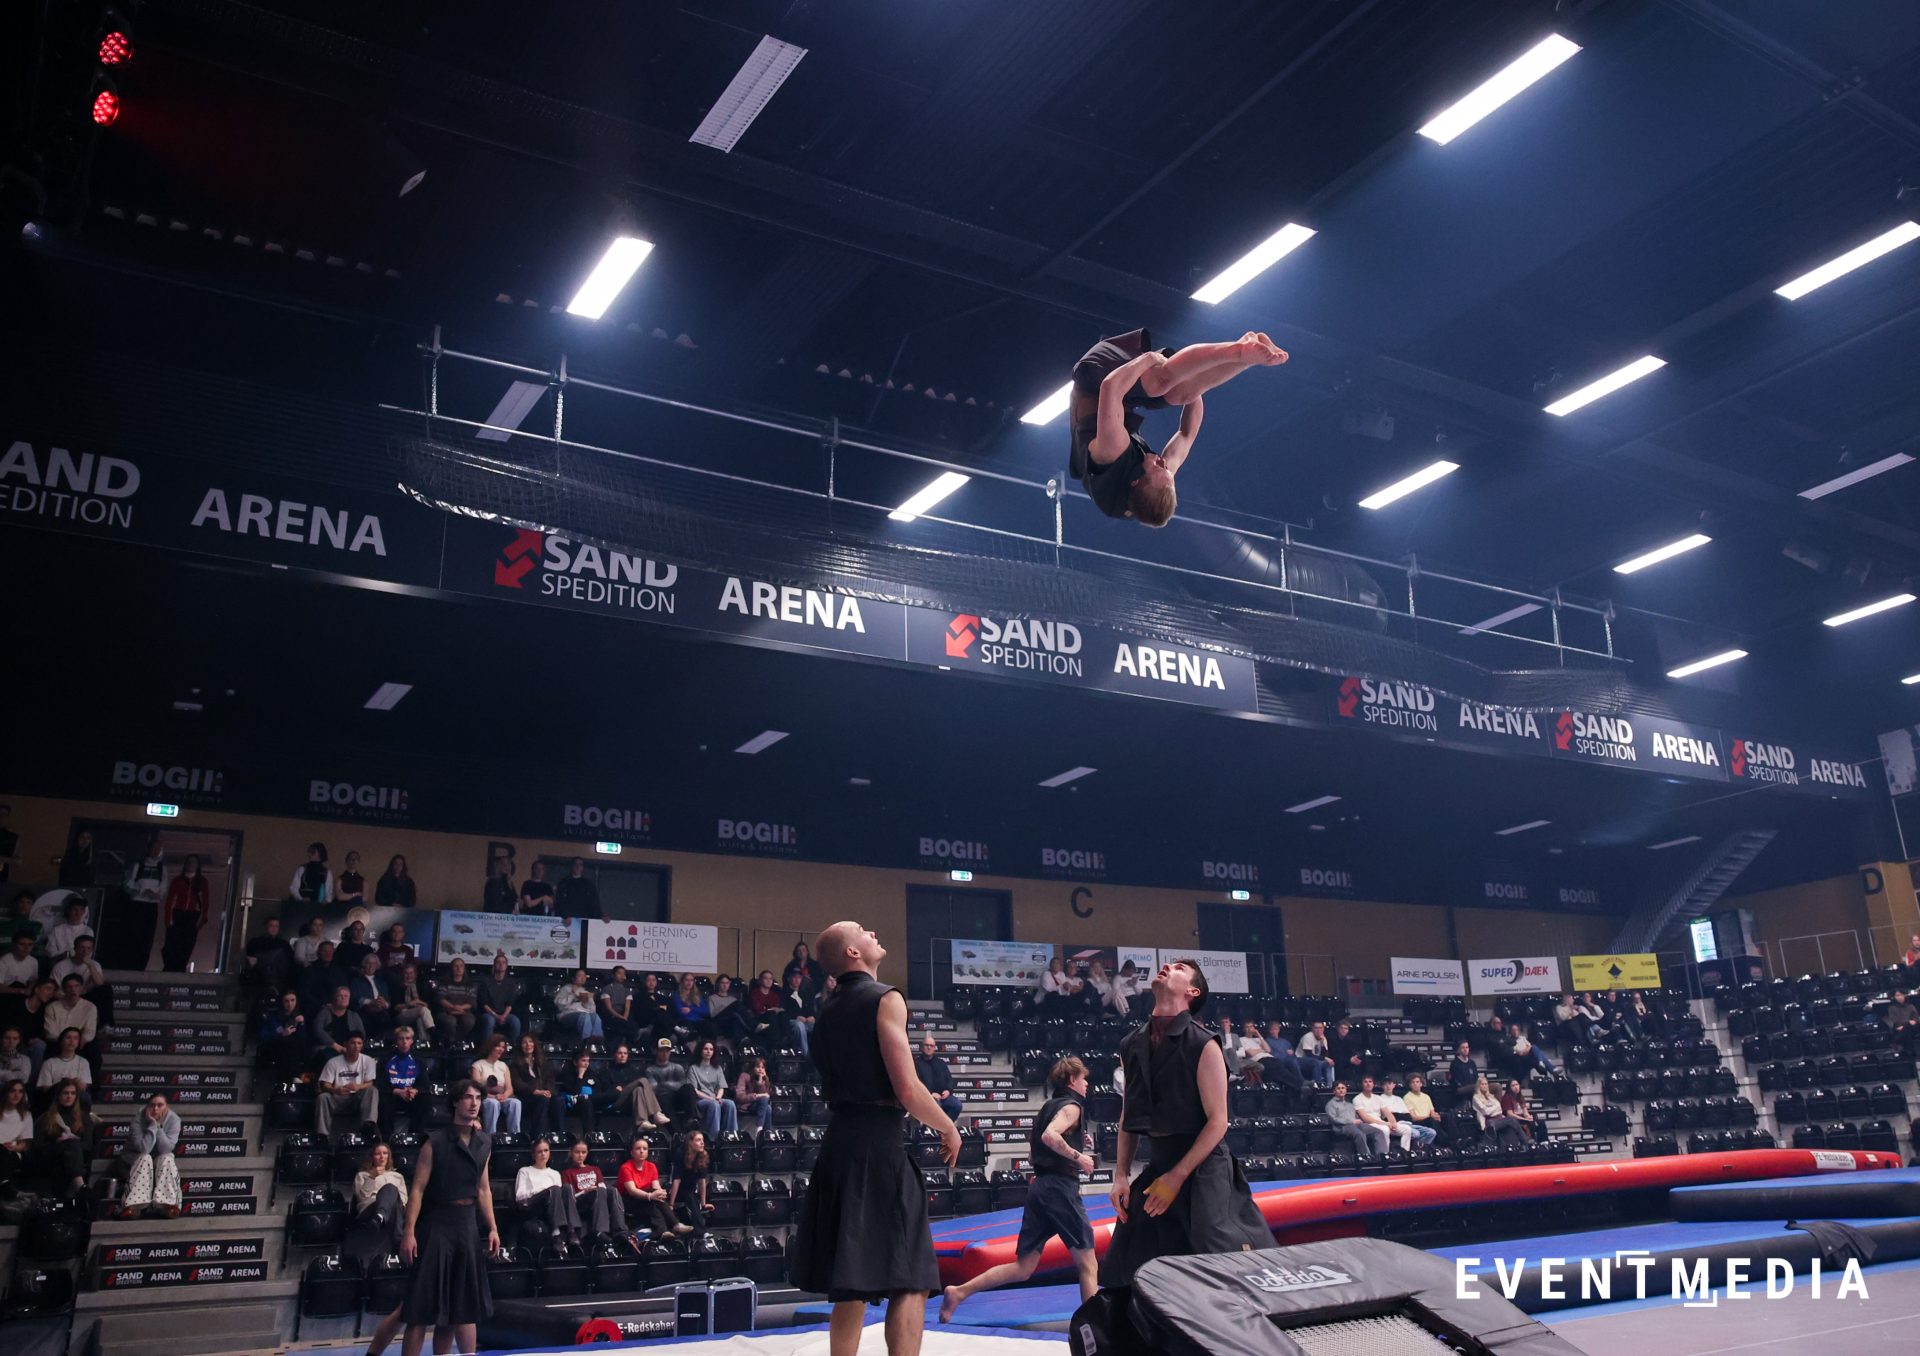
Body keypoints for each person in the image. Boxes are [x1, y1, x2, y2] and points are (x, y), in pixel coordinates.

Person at [791, 921, 958, 1356]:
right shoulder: (886, 998)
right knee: (913, 1275)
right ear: (852, 952)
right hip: (878, 1144)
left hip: (838, 1145)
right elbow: (908, 1089)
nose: (873, 933)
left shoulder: (827, 1009)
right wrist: (948, 1126)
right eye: (864, 932)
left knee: (851, 1281)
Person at [1098, 959, 1270, 1293]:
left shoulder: (1203, 1043)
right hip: (1160, 1162)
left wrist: (1177, 1177)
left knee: (1216, 1256)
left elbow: (1218, 1122)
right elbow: (1128, 1116)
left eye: (1179, 968)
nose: (1167, 966)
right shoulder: (1131, 1043)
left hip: (1205, 1166)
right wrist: (1120, 1175)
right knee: (1128, 1259)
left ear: (1193, 992)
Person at [1067, 329, 1286, 526]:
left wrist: (1149, 358)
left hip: (1092, 380)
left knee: (1158, 383)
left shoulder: (1111, 451)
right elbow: (1186, 433)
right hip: (1124, 401)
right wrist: (1193, 387)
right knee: (1182, 392)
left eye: (1158, 466)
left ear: (1135, 480)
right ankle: (1246, 352)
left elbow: (1111, 387)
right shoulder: (1158, 481)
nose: (1162, 461)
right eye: (1167, 469)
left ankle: (1238, 351)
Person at [940, 1056, 1099, 1323]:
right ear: (1072, 1080)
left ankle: (959, 1292)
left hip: (1040, 1188)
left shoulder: (1047, 1107)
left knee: (1023, 1268)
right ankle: (1095, 1327)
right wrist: (1078, 1157)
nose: (1087, 1085)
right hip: (1060, 1188)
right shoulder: (1072, 1107)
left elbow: (1032, 1152)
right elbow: (1050, 1136)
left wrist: (1068, 1149)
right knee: (1088, 1264)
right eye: (1084, 1079)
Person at [399, 1080, 501, 1356]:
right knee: (420, 1310)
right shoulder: (435, 1141)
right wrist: (409, 1232)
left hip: (467, 1224)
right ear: (455, 1102)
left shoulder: (484, 1142)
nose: (474, 1103)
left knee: (461, 1307)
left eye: (478, 1098)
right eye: (467, 1097)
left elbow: (484, 1189)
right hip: (437, 1223)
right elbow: (417, 1190)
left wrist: (492, 1228)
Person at [34, 1077, 100, 1196]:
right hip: (51, 1160)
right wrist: (59, 1143)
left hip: (73, 1161)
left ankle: (78, 1188)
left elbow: (88, 1145)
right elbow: (38, 1147)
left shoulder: (84, 1118)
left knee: (71, 1144)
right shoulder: (46, 1118)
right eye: (65, 1093)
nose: (69, 1096)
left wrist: (70, 1142)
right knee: (69, 1144)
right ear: (58, 1095)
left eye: (73, 1093)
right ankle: (81, 1187)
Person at [120, 1096, 184, 1217]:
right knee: (145, 1157)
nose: (155, 1109)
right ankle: (133, 1205)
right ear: (147, 1107)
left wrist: (159, 1127)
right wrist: (153, 1125)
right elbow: (144, 1149)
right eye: (152, 1105)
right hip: (134, 1160)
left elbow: (165, 1149)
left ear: (167, 1107)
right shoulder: (138, 1119)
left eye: (160, 1105)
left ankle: (168, 1204)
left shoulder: (174, 1120)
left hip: (159, 1162)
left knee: (167, 1158)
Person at [349, 1141, 408, 1265]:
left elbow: (403, 1200)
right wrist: (372, 1177)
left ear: (389, 1156)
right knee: (390, 1190)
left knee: (392, 1193)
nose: (382, 1157)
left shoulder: (397, 1176)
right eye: (378, 1154)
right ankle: (397, 1238)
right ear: (372, 1157)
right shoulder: (362, 1175)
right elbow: (361, 1197)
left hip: (393, 1210)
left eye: (385, 1153)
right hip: (370, 1209)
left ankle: (380, 1217)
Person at [515, 1136, 585, 1241]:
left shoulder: (555, 1173)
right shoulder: (524, 1171)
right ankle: (556, 1233)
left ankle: (572, 1231)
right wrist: (544, 1191)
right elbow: (520, 1196)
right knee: (554, 1190)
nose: (543, 1154)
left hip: (551, 1205)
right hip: (532, 1205)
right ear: (534, 1155)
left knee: (567, 1188)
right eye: (540, 1152)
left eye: (546, 1150)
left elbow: (559, 1197)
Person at [616, 1136, 687, 1237]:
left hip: (646, 1198)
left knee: (656, 1198)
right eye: (638, 1148)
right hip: (628, 1200)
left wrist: (660, 1193)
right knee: (651, 1202)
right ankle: (671, 1226)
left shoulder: (651, 1166)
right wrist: (650, 1196)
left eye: (645, 1149)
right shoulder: (625, 1168)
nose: (642, 1151)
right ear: (632, 1153)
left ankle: (669, 1228)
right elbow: (632, 1190)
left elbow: (656, 1186)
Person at [561, 1136, 627, 1239]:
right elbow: (569, 1197)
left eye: (583, 1152)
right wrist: (584, 1192)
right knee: (598, 1192)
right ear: (571, 1152)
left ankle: (620, 1231)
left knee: (612, 1190)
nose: (580, 1155)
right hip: (580, 1201)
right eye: (577, 1152)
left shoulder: (595, 1169)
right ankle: (600, 1231)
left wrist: (595, 1189)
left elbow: (602, 1188)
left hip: (598, 1197)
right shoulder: (567, 1172)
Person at [319, 1032, 380, 1135]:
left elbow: (370, 1083)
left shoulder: (368, 1061)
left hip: (358, 1098)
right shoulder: (333, 1062)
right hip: (338, 1097)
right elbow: (325, 1084)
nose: (356, 1046)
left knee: (373, 1090)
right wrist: (336, 1090)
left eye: (359, 1043)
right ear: (345, 1044)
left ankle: (369, 1125)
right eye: (353, 1043)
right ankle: (322, 1135)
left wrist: (358, 1086)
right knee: (323, 1097)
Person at [160, 853, 210, 972]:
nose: (191, 865)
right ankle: (169, 968)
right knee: (171, 945)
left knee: (186, 946)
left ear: (197, 866)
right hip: (178, 914)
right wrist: (168, 919)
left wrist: (200, 921)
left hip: (192, 916)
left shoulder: (202, 882)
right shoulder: (177, 881)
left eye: (194, 862)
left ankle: (179, 969)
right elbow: (170, 900)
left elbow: (205, 902)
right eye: (189, 862)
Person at [380, 1026, 426, 1137]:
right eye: (401, 1038)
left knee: (425, 1100)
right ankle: (387, 1138)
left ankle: (415, 1136)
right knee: (382, 1101)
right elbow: (380, 1084)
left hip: (411, 1095)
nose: (404, 1042)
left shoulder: (418, 1059)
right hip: (392, 1094)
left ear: (412, 1041)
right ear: (396, 1041)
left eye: (407, 1038)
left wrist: (415, 1090)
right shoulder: (385, 1059)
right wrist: (398, 1091)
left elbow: (424, 1083)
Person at [470, 1036, 521, 1134]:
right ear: (490, 1047)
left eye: (503, 1047)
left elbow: (509, 1088)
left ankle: (514, 1134)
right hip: (486, 1097)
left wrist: (504, 1096)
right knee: (493, 1103)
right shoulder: (478, 1065)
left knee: (516, 1103)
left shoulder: (503, 1066)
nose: (501, 1049)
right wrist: (491, 1096)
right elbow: (476, 1087)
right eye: (498, 1046)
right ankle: (490, 1135)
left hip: (501, 1097)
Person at [688, 1040, 737, 1137]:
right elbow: (694, 1090)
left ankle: (731, 1136)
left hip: (715, 1098)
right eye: (706, 1049)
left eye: (711, 1049)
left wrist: (718, 1097)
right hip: (700, 1099)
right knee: (714, 1105)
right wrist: (711, 1099)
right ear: (700, 1051)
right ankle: (714, 1137)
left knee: (730, 1103)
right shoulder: (693, 1068)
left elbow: (721, 1087)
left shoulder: (718, 1068)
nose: (708, 1051)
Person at [511, 1034, 556, 1139]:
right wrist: (535, 1091)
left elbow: (550, 1080)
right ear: (520, 1046)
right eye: (524, 1042)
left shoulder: (543, 1063)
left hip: (543, 1095)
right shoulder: (515, 1065)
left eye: (530, 1041)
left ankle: (557, 1136)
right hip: (525, 1098)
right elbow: (518, 1084)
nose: (528, 1045)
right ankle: (537, 1137)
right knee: (542, 1100)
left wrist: (548, 1091)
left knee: (558, 1101)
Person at [260, 990, 310, 1083]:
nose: (290, 1004)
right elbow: (264, 1035)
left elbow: (303, 1038)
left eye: (292, 1000)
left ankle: (295, 1077)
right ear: (282, 1002)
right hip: (274, 1047)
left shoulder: (298, 1016)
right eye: (286, 1001)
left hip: (293, 1050)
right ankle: (291, 1077)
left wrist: (302, 1024)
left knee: (295, 1046)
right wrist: (282, 1034)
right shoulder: (272, 1017)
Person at [244, 916, 296, 1002]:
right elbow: (251, 960)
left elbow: (289, 963)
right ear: (266, 926)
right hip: (259, 976)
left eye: (276, 926)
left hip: (279, 977)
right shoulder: (255, 942)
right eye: (271, 925)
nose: (274, 928)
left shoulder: (283, 944)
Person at [475, 955, 524, 1048]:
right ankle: (487, 1049)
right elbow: (484, 1003)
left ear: (506, 965)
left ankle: (513, 1048)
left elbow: (510, 1003)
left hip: (504, 1014)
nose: (501, 964)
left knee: (515, 1021)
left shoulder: (510, 983)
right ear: (494, 965)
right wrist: (496, 1016)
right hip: (489, 1013)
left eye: (503, 962)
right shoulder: (486, 981)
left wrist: (504, 1016)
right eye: (498, 962)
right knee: (489, 1021)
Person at [914, 1034, 963, 1123]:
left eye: (931, 1045)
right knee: (937, 1106)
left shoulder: (941, 1063)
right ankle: (936, 1127)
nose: (929, 1047)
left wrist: (948, 1091)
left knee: (957, 1105)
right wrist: (930, 1094)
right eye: (926, 1045)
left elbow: (950, 1080)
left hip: (943, 1097)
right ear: (922, 1047)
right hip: (926, 1097)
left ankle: (944, 1127)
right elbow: (915, 1083)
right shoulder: (916, 1063)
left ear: (934, 1048)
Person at [668, 1129, 712, 1228]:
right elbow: (676, 1180)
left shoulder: (702, 1156)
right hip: (678, 1191)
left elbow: (702, 1182)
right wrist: (671, 1204)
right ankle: (701, 1231)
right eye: (698, 1140)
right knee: (690, 1196)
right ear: (690, 1143)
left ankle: (697, 1230)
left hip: (691, 1191)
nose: (702, 1143)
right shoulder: (680, 1154)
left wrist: (703, 1203)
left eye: (702, 1140)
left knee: (692, 1197)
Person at [1323, 1081, 1379, 1158]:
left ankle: (1381, 1156)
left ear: (1346, 1090)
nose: (1341, 1090)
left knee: (1377, 1131)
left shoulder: (1350, 1105)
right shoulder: (1330, 1104)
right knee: (1359, 1134)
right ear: (1334, 1091)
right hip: (1342, 1127)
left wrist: (1359, 1120)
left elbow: (1355, 1117)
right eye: (1338, 1088)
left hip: (1355, 1125)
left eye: (1343, 1088)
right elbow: (1334, 1119)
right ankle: (1366, 1157)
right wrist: (1351, 1121)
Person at [1378, 1076, 1435, 1151]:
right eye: (1385, 1084)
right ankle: (1411, 1151)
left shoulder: (1399, 1099)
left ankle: (1418, 1150)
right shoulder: (1380, 1099)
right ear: (1382, 1086)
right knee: (1416, 1133)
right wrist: (1398, 1115)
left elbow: (1407, 1115)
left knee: (1431, 1132)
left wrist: (1397, 1114)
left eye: (1389, 1084)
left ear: (1394, 1085)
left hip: (1408, 1123)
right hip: (1396, 1124)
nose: (1388, 1086)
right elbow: (1387, 1116)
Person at [622, 1045, 672, 1128]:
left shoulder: (632, 1070)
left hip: (630, 1099)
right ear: (614, 1054)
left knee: (638, 1089)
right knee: (643, 1080)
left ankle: (642, 1121)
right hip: (618, 1098)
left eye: (625, 1053)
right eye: (620, 1053)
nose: (622, 1055)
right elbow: (606, 1089)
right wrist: (616, 1087)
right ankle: (656, 1112)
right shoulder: (607, 1069)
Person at [1473, 1074, 1526, 1150]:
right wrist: (1494, 1109)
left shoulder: (1491, 1096)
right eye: (1482, 1084)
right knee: (1511, 1119)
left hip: (1498, 1119)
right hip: (1487, 1121)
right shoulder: (1476, 1097)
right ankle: (1525, 1142)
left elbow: (1499, 1108)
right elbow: (1485, 1111)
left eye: (1486, 1084)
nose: (1485, 1086)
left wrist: (1492, 1109)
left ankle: (1515, 1147)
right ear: (1479, 1086)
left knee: (1510, 1125)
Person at [642, 1038, 689, 1123]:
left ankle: (692, 1119)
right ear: (656, 1051)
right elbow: (654, 1089)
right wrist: (672, 1085)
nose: (665, 1053)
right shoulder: (650, 1070)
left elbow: (682, 1084)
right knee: (663, 1099)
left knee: (689, 1087)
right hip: (662, 1099)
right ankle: (676, 1130)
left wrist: (664, 1084)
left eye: (667, 1050)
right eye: (662, 1050)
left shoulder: (677, 1067)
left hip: (677, 1097)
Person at [37, 1027, 92, 1098]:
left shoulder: (84, 1062)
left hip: (75, 1097)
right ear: (61, 1041)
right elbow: (46, 1088)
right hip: (55, 1097)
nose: (72, 1041)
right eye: (68, 1038)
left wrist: (77, 1082)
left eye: (75, 1038)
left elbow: (83, 1088)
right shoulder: (49, 1063)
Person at [557, 1049, 600, 1140]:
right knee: (585, 1101)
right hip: (575, 1103)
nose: (586, 1063)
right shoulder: (567, 1075)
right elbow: (574, 1092)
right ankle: (590, 1136)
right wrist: (580, 1076)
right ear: (575, 1062)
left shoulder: (592, 1074)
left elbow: (598, 1090)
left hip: (593, 1100)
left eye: (588, 1061)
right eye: (583, 1060)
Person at [435, 958, 478, 1047]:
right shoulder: (445, 983)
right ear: (452, 968)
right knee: (450, 1021)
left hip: (464, 1011)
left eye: (461, 966)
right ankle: (451, 1042)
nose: (459, 968)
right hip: (446, 1011)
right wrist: (453, 1007)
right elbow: (441, 999)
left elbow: (471, 1002)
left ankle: (459, 1041)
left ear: (464, 968)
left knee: (469, 1021)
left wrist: (460, 1008)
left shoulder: (469, 984)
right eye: (456, 966)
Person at [552, 970, 603, 1041]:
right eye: (579, 976)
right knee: (585, 1016)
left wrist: (588, 1000)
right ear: (573, 978)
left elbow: (592, 1010)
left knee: (595, 1016)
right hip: (567, 1014)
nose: (582, 978)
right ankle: (586, 1040)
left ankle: (597, 1041)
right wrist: (573, 994)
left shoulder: (585, 991)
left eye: (584, 976)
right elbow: (560, 1006)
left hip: (584, 1013)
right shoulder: (566, 988)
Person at [353, 953, 396, 1038]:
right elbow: (355, 998)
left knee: (386, 1018)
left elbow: (388, 1001)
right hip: (364, 1010)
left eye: (374, 964)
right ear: (364, 965)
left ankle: (381, 1042)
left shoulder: (382, 982)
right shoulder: (357, 981)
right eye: (368, 963)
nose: (371, 966)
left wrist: (385, 1004)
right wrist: (371, 1002)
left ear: (377, 966)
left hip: (380, 1010)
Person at [0, 1079, 30, 1193]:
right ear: (6, 1093)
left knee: (5, 1155)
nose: (17, 1095)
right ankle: (6, 1185)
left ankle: (5, 1185)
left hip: (12, 1152)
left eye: (20, 1091)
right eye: (13, 1091)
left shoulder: (26, 1115)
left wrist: (14, 1148)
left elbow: (25, 1144)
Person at [44, 897, 94, 964]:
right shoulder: (57, 930)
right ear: (68, 910)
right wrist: (64, 955)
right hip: (59, 965)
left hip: (80, 966)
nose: (78, 913)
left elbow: (88, 954)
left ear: (84, 911)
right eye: (75, 909)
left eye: (81, 909)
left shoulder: (88, 931)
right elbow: (50, 952)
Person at [391, 964, 434, 1041]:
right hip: (402, 1014)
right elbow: (396, 1007)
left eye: (411, 973)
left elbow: (427, 1004)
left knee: (420, 1018)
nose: (409, 976)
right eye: (406, 973)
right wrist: (410, 1004)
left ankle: (423, 1042)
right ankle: (432, 1031)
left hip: (418, 1012)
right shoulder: (397, 987)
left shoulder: (420, 986)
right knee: (423, 1010)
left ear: (415, 975)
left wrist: (418, 1002)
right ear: (402, 974)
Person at [597, 966, 637, 1047]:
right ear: (613, 975)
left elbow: (627, 1007)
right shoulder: (606, 989)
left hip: (623, 1016)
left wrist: (624, 1017)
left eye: (623, 974)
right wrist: (621, 1018)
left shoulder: (627, 991)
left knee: (631, 1026)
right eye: (619, 973)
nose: (622, 976)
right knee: (623, 1027)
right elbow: (609, 1008)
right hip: (610, 1016)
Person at [1401, 1074, 1446, 1146]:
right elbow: (1413, 1117)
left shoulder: (1426, 1096)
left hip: (1429, 1120)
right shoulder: (1407, 1097)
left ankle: (1455, 1139)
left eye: (1417, 1082)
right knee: (1431, 1120)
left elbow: (1432, 1112)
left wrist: (1436, 1116)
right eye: (1412, 1082)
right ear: (1409, 1085)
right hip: (1418, 1121)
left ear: (1421, 1084)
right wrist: (1430, 1117)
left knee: (1446, 1117)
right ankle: (1445, 1142)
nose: (1415, 1084)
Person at [734, 1054, 773, 1135]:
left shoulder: (765, 1080)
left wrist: (760, 1081)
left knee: (768, 1108)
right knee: (766, 1105)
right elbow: (740, 1097)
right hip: (746, 1105)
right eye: (758, 1067)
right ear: (753, 1067)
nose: (760, 1069)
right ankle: (760, 1130)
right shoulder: (744, 1076)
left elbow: (765, 1098)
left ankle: (765, 1134)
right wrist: (756, 1096)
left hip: (758, 1105)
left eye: (763, 1067)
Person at [781, 968, 815, 1056]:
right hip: (791, 1021)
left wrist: (812, 1016)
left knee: (819, 1025)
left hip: (806, 1021)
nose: (797, 980)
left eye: (799, 977)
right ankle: (805, 1054)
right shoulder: (783, 993)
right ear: (789, 979)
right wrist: (796, 1017)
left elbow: (810, 1009)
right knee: (800, 1025)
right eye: (794, 977)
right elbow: (783, 1011)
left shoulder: (805, 993)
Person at [1501, 1078, 1544, 1144]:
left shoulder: (1520, 1097)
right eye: (1513, 1085)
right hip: (1514, 1120)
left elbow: (1525, 1111)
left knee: (1541, 1123)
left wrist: (1528, 1117)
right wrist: (1524, 1119)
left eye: (1517, 1084)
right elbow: (1510, 1114)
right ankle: (1530, 1141)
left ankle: (1543, 1142)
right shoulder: (1507, 1097)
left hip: (1523, 1118)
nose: (1516, 1087)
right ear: (1509, 1088)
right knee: (1529, 1124)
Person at [1447, 1041, 1479, 1108]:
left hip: (1473, 1087)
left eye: (1467, 1047)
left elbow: (1476, 1077)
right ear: (1459, 1050)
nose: (1465, 1049)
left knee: (1496, 1086)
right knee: (1476, 1087)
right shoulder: (1455, 1063)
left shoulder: (1472, 1063)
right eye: (1463, 1048)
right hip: (1460, 1088)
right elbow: (1455, 1080)